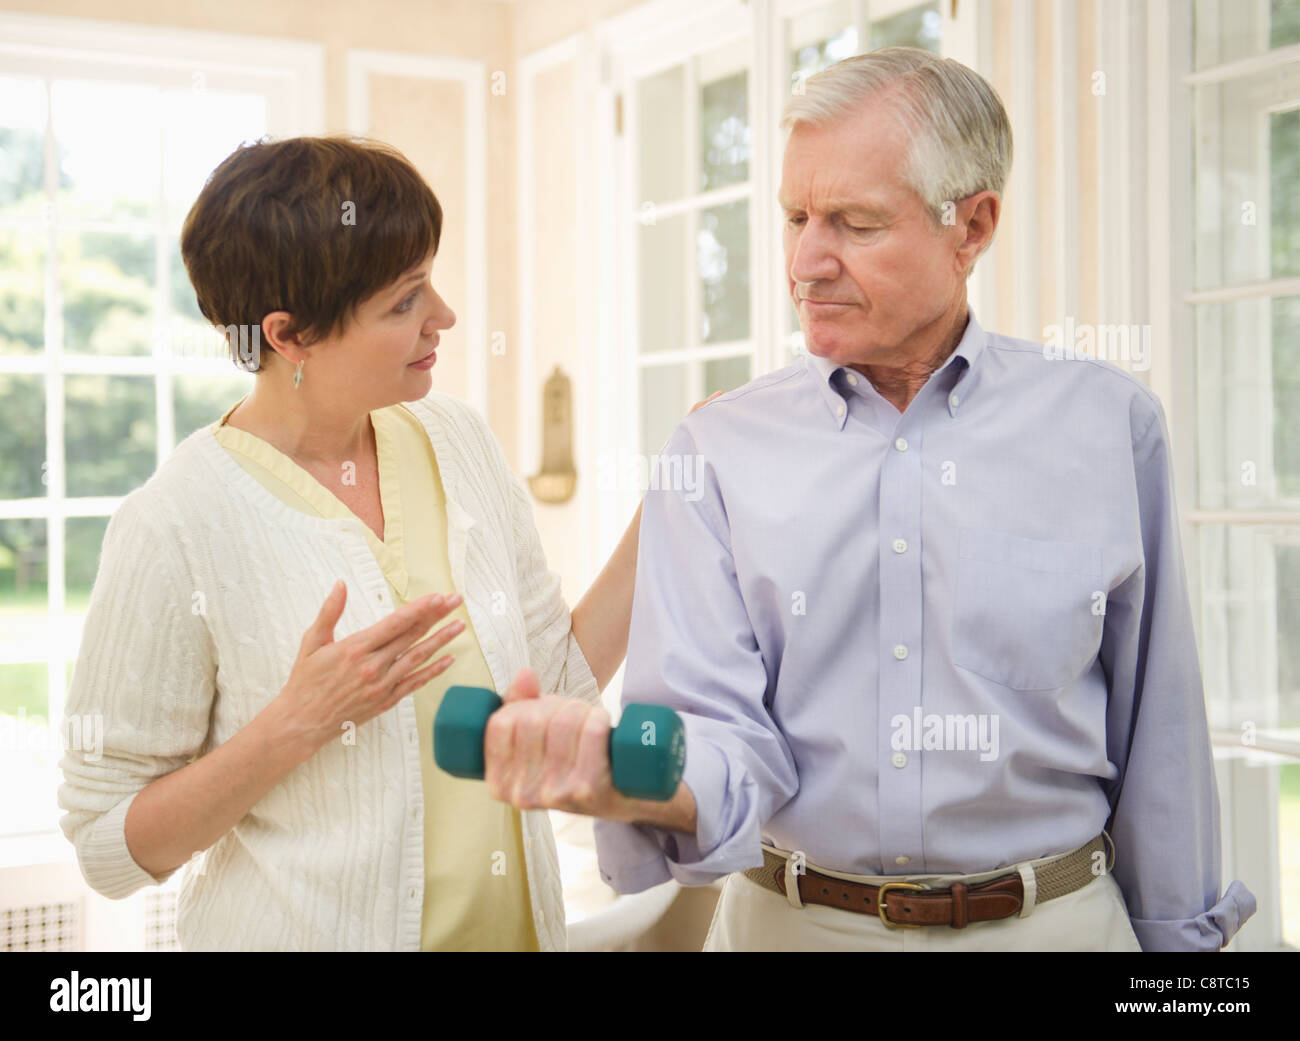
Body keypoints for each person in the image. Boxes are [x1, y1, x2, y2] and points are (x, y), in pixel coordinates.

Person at [489, 47, 1257, 951]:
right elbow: (717, 737)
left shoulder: (1108, 427)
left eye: (854, 222)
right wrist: (623, 780)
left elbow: (1161, 737)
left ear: (971, 226)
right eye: (795, 217)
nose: (805, 262)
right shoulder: (718, 450)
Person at [56, 135, 714, 952]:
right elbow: (106, 846)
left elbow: (557, 676)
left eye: (429, 281)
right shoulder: (175, 523)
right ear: (289, 336)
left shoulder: (458, 440)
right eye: (404, 302)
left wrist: (677, 490)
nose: (443, 315)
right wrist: (294, 724)